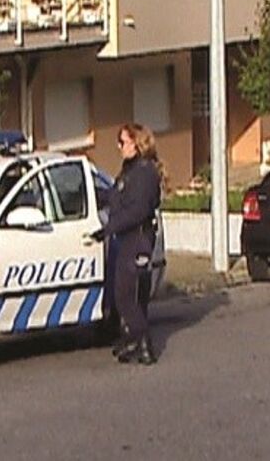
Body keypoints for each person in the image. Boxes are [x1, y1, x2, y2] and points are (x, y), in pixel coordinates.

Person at [91, 123, 164, 366]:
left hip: (138, 239)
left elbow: (138, 210)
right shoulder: (129, 170)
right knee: (132, 296)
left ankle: (143, 343)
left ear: (136, 143)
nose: (119, 147)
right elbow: (115, 195)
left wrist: (109, 229)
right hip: (128, 239)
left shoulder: (144, 172)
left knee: (125, 296)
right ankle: (135, 341)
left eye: (122, 142)